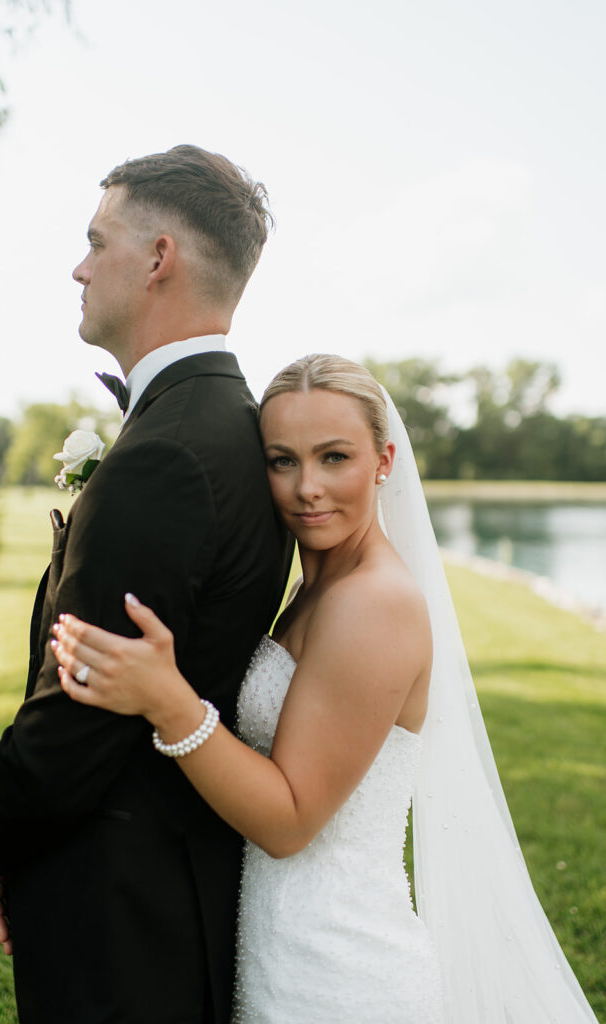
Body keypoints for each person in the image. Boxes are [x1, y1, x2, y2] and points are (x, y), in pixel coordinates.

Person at [49, 354, 599, 1024]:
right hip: (286, 950)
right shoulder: (320, 588)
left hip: (339, 977)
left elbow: (289, 822)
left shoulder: (374, 604)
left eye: (334, 457)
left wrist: (167, 700)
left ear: (384, 461)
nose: (307, 487)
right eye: (282, 461)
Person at [0, 145, 292, 1024]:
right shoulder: (228, 425)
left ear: (158, 258)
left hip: (116, 904)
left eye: (96, 241)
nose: (78, 265)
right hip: (175, 879)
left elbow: (83, 708)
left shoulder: (168, 452)